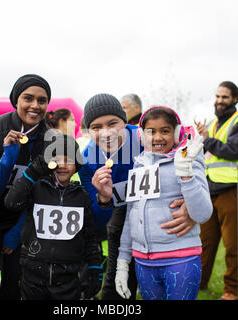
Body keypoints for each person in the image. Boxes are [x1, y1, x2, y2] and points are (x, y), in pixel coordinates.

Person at [78, 93, 195, 300]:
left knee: (167, 280)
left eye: (112, 123)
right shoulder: (87, 160)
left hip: (163, 218)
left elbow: (188, 154)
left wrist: (190, 201)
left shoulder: (146, 137)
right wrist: (103, 199)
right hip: (121, 217)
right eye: (96, 127)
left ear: (125, 121)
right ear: (88, 130)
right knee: (116, 281)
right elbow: (97, 219)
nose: (106, 133)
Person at [0, 74, 51, 300]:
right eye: (28, 98)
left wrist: (16, 233)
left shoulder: (49, 139)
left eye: (41, 100)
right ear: (16, 100)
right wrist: (8, 157)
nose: (35, 105)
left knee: (15, 282)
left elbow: (41, 195)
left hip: (19, 218)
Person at [115, 106, 212, 300]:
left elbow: (203, 214)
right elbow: (131, 215)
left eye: (165, 131)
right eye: (151, 131)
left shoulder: (189, 160)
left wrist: (186, 174)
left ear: (176, 133)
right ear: (142, 135)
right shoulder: (139, 163)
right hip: (144, 262)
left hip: (181, 258)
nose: (157, 137)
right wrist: (123, 262)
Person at [4, 133, 103, 300]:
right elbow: (11, 202)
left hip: (68, 280)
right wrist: (34, 170)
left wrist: (94, 267)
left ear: (77, 163)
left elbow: (89, 236)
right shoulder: (36, 189)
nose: (62, 165)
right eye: (56, 159)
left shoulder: (82, 197)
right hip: (33, 276)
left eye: (68, 159)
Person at [195, 81, 238, 300]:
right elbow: (204, 152)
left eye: (225, 97)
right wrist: (199, 140)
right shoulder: (210, 124)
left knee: (233, 245)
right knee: (204, 243)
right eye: (218, 96)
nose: (220, 101)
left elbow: (234, 151)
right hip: (209, 190)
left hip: (233, 189)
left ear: (235, 98)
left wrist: (206, 139)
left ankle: (233, 290)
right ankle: (199, 282)